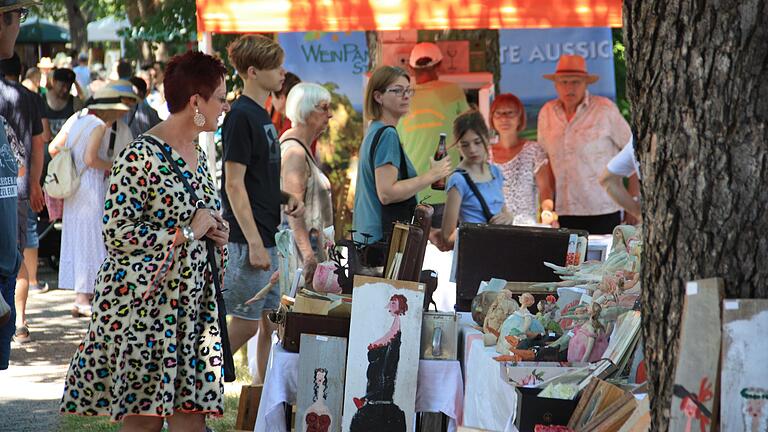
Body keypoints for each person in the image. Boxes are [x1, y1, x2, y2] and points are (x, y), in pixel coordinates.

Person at [60, 51, 231, 431]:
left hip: (193, 313)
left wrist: (216, 231)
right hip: (147, 313)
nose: (224, 106)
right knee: (144, 423)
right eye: (220, 97)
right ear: (196, 102)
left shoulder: (200, 157)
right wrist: (187, 232)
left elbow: (199, 219)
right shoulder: (138, 157)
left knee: (193, 419)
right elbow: (117, 234)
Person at [221, 34, 303, 385]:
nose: (282, 72)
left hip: (268, 236)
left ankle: (261, 390)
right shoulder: (241, 116)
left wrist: (284, 197)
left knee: (269, 319)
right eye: (275, 66)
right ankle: (196, 377)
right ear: (253, 72)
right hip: (249, 240)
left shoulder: (260, 114)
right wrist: (253, 242)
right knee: (245, 320)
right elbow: (233, 183)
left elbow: (256, 178)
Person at [353, 65, 452, 255]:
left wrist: (427, 232)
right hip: (382, 242)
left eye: (408, 90)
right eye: (397, 90)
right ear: (378, 97)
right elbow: (387, 193)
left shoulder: (375, 130)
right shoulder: (387, 134)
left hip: (370, 239)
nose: (405, 96)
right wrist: (432, 175)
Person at [50, 87, 130, 317]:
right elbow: (91, 159)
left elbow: (54, 147)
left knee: (78, 235)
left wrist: (71, 160)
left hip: (74, 185)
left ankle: (82, 294)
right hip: (89, 185)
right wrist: (112, 166)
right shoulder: (97, 125)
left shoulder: (78, 119)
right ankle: (84, 296)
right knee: (91, 236)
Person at [537, 54, 633, 234]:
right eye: (563, 82)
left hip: (605, 209)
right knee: (569, 262)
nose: (569, 88)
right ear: (555, 85)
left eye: (575, 82)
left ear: (586, 84)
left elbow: (634, 152)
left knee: (606, 262)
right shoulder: (547, 113)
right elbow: (546, 162)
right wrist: (547, 205)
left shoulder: (604, 109)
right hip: (565, 211)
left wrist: (633, 202)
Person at [396, 42, 469, 235]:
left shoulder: (402, 98)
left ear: (411, 68)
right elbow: (470, 131)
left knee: (414, 258)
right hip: (447, 191)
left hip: (411, 192)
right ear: (440, 64)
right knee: (450, 256)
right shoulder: (453, 91)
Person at [0, 42, 44, 344]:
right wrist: (35, 181)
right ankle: (21, 321)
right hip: (22, 186)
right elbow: (40, 143)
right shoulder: (30, 98)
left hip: (6, 187)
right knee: (22, 255)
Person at [279, 82, 334, 287]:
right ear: (305, 110)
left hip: (307, 250)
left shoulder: (302, 149)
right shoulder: (295, 152)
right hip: (302, 256)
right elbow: (293, 211)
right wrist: (308, 256)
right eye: (324, 107)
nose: (329, 115)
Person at [439, 110, 514, 250]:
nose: (472, 150)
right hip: (474, 253)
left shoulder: (495, 172)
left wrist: (509, 218)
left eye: (477, 142)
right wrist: (482, 230)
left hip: (500, 249)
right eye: (465, 145)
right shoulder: (458, 180)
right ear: (458, 146)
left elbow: (504, 211)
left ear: (486, 138)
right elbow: (447, 237)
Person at [489, 94, 556, 225]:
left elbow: (546, 190)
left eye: (510, 113)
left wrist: (547, 212)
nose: (504, 118)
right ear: (492, 118)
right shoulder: (485, 154)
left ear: (520, 118)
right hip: (494, 227)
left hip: (526, 226)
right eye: (499, 113)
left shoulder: (534, 151)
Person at [349, 294, 409, 431]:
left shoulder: (395, 329)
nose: (389, 307)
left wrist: (375, 346)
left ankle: (367, 398)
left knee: (384, 375)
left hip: (379, 400)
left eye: (393, 303)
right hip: (374, 401)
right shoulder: (392, 327)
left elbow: (391, 338)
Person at [600, 136, 641, 221]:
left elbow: (608, 179)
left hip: (606, 210)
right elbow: (608, 180)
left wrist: (638, 213)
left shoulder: (638, 139)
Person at [270, 71, 300, 137]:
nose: (272, 101)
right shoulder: (301, 122)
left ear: (282, 97)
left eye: (273, 97)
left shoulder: (290, 128)